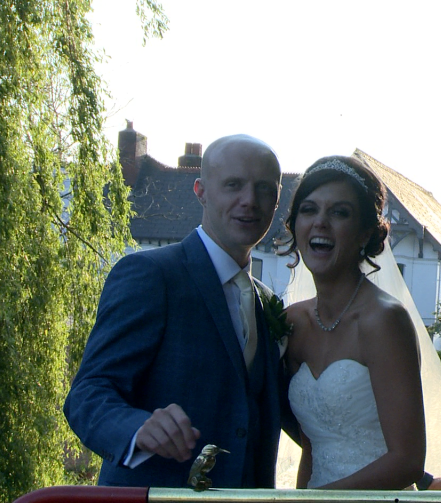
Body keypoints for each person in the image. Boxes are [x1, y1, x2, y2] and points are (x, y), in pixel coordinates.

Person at [64, 134, 285, 488]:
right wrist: (137, 427)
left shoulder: (267, 302)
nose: (250, 201)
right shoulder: (151, 275)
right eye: (233, 185)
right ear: (200, 191)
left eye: (264, 189)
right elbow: (87, 395)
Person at [279, 156, 427, 489]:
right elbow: (311, 448)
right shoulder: (293, 323)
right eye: (308, 210)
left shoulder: (384, 320)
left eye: (339, 213)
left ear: (364, 233)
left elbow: (408, 461)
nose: (320, 223)